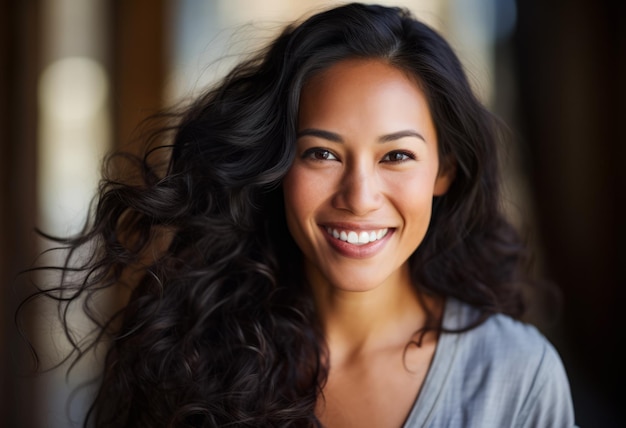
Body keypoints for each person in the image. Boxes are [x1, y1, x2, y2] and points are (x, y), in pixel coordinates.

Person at [20, 2, 577, 427]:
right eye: (322, 153)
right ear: (277, 164)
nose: (359, 196)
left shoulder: (517, 375)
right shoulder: (192, 354)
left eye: (397, 156)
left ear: (444, 171)